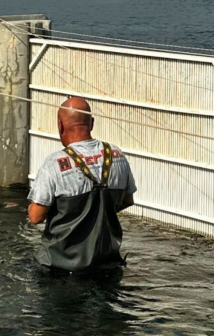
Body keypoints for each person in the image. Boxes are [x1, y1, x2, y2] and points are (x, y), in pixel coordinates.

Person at [28, 97, 136, 272]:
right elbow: (128, 200)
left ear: (60, 125)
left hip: (60, 270)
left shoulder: (54, 163)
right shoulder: (117, 155)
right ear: (91, 123)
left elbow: (35, 216)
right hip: (106, 266)